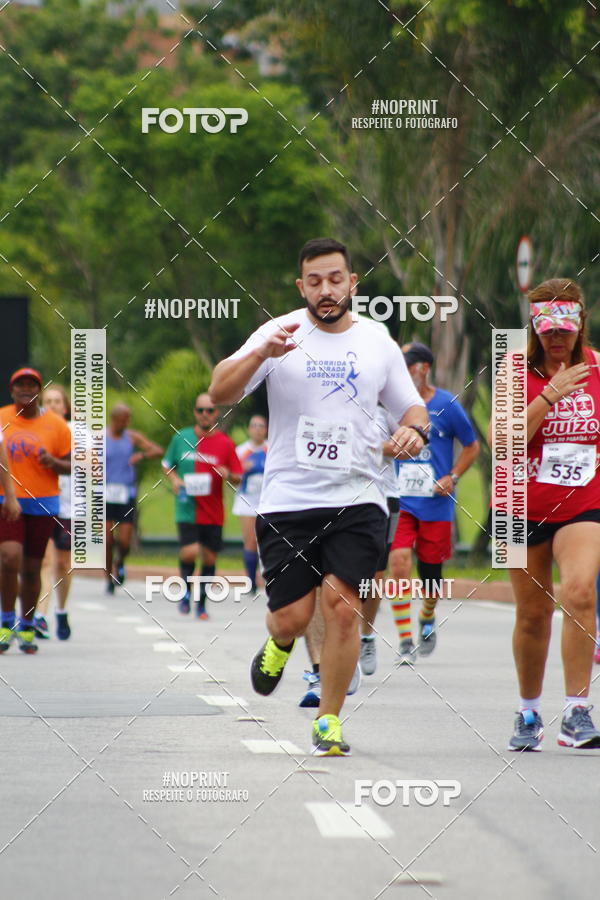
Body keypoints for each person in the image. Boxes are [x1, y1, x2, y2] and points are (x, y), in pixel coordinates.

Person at [209, 237, 428, 755]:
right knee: (293, 615)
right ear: (300, 286)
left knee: (343, 607)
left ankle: (329, 719)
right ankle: (281, 641)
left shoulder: (377, 341)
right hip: (288, 498)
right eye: (314, 281)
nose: (325, 290)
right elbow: (219, 391)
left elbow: (412, 409)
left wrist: (414, 434)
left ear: (352, 283)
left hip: (359, 496)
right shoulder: (278, 332)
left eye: (335, 279)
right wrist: (260, 353)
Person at [489, 279, 600, 750]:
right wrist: (550, 394)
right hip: (517, 504)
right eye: (548, 329)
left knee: (578, 592)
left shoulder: (597, 368)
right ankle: (528, 711)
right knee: (533, 615)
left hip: (582, 504)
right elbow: (501, 442)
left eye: (565, 329)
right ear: (533, 327)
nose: (557, 338)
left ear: (580, 325)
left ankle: (577, 711)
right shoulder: (515, 370)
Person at [389, 342, 480, 663]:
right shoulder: (394, 405)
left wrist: (452, 477)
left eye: (407, 366)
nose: (401, 372)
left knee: (431, 578)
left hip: (437, 503)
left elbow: (471, 446)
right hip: (401, 502)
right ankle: (404, 641)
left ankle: (427, 616)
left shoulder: (447, 404)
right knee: (398, 561)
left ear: (423, 368)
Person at [0, 368, 71, 654]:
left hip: (43, 502)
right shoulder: (2, 418)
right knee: (9, 557)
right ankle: (6, 621)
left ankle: (27, 624)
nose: (26, 389)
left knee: (31, 568)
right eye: (21, 385)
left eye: (32, 385)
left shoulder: (56, 425)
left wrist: (53, 462)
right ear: (12, 390)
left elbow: (71, 464)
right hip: (6, 500)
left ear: (39, 391)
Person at [162, 394, 242, 619]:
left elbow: (238, 476)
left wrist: (228, 475)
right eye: (200, 410)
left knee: (209, 558)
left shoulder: (225, 443)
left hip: (213, 510)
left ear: (216, 413)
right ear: (195, 412)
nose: (205, 415)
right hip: (187, 507)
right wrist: (175, 480)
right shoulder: (181, 437)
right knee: (189, 551)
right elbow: (167, 465)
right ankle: (186, 593)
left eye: (209, 410)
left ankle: (202, 604)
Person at [105, 404, 163, 594]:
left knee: (124, 540)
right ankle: (108, 576)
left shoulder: (131, 437)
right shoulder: (100, 437)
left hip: (125, 494)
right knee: (106, 539)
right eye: (123, 419)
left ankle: (119, 562)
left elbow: (158, 450)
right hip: (104, 494)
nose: (126, 423)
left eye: (128, 419)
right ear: (115, 419)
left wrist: (142, 455)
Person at [34, 384, 73, 640]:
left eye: (58, 401)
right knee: (46, 562)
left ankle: (61, 610)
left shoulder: (77, 433)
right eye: (48, 401)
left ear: (66, 406)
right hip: (44, 503)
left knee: (63, 563)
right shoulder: (36, 433)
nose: (53, 405)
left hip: (71, 505)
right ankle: (40, 616)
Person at [232, 415, 268, 593]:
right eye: (254, 425)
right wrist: (241, 470)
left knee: (267, 539)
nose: (258, 429)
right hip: (246, 500)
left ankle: (269, 577)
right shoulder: (241, 451)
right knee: (251, 540)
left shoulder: (271, 449)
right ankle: (251, 581)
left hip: (267, 501)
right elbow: (232, 479)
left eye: (261, 426)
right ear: (248, 429)